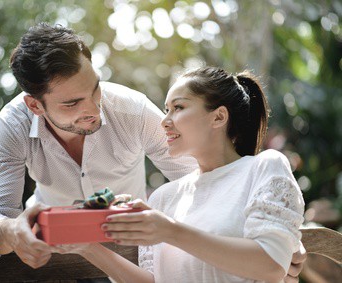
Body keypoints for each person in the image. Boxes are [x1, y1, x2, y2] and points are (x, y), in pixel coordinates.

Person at [0, 23, 305, 281]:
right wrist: (13, 232)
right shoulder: (12, 126)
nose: (94, 108)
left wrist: (279, 232)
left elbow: (209, 184)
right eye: (72, 103)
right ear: (35, 105)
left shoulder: (132, 110)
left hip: (133, 251)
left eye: (95, 89)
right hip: (52, 256)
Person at [56, 66, 305, 283]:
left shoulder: (262, 167)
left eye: (178, 107)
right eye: (166, 109)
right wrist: (88, 248)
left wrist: (169, 231)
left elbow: (272, 266)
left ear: (218, 116)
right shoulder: (164, 198)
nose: (164, 121)